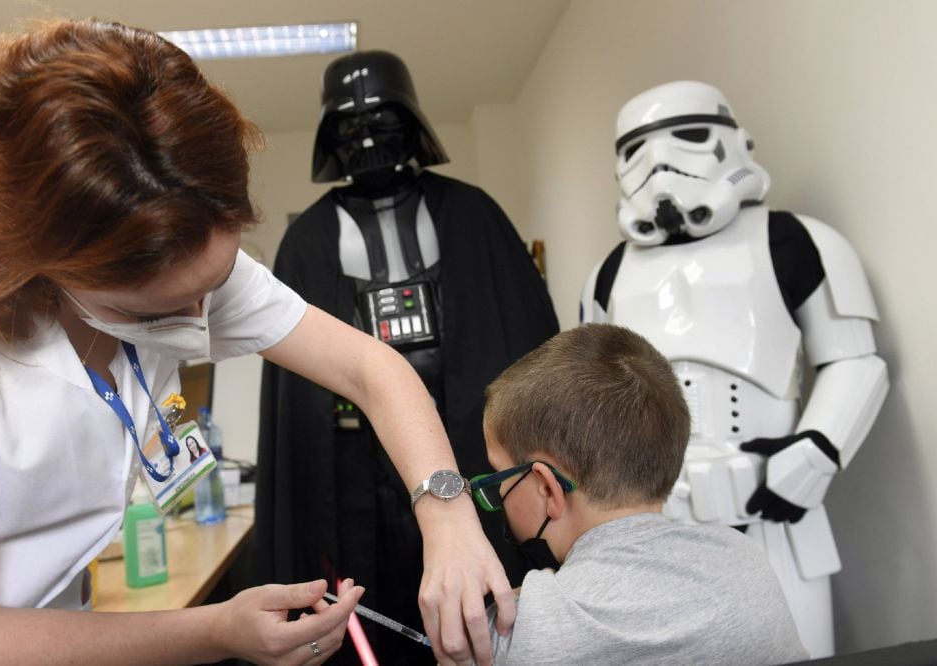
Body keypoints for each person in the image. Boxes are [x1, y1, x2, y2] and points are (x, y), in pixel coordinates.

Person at [0, 19, 513, 665]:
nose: (202, 316)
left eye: (218, 280)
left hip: (62, 619)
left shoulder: (179, 234)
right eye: (162, 310)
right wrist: (216, 631)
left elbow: (372, 367)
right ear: (45, 267)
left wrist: (447, 515)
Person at [255, 49, 557, 665]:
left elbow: (532, 344)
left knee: (484, 609)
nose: (366, 137)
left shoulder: (473, 214)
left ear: (411, 122)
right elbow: (294, 399)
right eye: (348, 125)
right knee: (373, 613)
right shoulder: (309, 240)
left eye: (382, 120)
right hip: (349, 471)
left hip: (467, 459)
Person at [580, 80, 888, 657]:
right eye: (636, 150)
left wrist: (814, 454)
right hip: (651, 523)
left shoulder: (795, 241)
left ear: (735, 141)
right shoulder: (606, 272)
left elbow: (855, 359)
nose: (660, 164)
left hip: (773, 508)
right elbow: (589, 393)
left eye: (689, 136)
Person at [474, 324, 809, 665]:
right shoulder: (746, 565)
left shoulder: (510, 631)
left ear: (548, 487)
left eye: (500, 475)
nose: (499, 490)